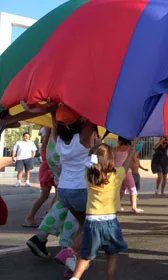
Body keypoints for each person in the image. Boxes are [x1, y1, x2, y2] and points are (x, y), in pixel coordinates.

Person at [69, 138, 139, 280]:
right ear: (111, 160)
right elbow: (126, 164)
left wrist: (96, 144)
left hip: (91, 221)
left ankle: (74, 278)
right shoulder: (117, 174)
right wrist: (132, 149)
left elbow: (94, 161)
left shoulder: (88, 175)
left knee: (85, 256)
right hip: (110, 222)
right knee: (112, 256)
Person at [51, 104, 100, 272]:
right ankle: (69, 252)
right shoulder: (82, 139)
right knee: (91, 226)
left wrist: (56, 109)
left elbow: (55, 123)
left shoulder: (58, 140)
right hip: (81, 190)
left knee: (82, 225)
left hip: (64, 192)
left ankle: (71, 266)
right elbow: (93, 116)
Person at [22, 127, 57, 228]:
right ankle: (31, 217)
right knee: (47, 195)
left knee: (56, 195)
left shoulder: (53, 144)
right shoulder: (47, 145)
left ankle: (47, 215)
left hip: (51, 170)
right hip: (48, 171)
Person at [114, 136, 146, 213]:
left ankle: (116, 207)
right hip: (126, 171)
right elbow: (134, 159)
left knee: (120, 189)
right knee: (132, 189)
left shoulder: (114, 149)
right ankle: (134, 208)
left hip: (116, 171)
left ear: (120, 141)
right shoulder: (129, 149)